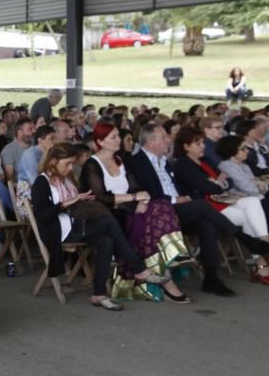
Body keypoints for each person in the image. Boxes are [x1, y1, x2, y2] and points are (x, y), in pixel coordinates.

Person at [128, 123, 269, 297]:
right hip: (160, 212)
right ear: (151, 141)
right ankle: (245, 239)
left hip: (181, 208)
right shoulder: (137, 162)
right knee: (202, 206)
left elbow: (188, 186)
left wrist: (187, 196)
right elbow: (144, 192)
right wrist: (176, 199)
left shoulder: (164, 161)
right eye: (164, 137)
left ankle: (211, 279)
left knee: (207, 223)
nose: (168, 140)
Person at [32, 143, 176, 311]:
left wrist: (80, 200)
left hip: (75, 225)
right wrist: (66, 204)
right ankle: (138, 268)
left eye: (72, 163)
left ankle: (99, 295)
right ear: (53, 161)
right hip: (58, 232)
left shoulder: (66, 179)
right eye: (67, 164)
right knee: (108, 221)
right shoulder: (41, 182)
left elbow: (74, 206)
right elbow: (43, 215)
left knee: (106, 240)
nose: (71, 168)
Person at [80, 123, 191, 302]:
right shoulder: (92, 165)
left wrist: (142, 200)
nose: (119, 140)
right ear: (100, 141)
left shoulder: (121, 161)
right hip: (108, 215)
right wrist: (133, 199)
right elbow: (101, 198)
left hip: (128, 210)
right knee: (154, 221)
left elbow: (137, 187)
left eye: (118, 136)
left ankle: (173, 255)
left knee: (161, 205)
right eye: (113, 137)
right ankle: (163, 270)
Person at [173, 129, 269, 286]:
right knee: (249, 217)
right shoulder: (183, 164)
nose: (203, 146)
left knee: (252, 202)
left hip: (221, 201)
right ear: (186, 146)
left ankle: (264, 241)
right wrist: (218, 182)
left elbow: (228, 181)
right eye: (198, 143)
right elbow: (205, 187)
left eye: (203, 142)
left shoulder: (206, 161)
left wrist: (218, 182)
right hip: (206, 208)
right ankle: (261, 262)